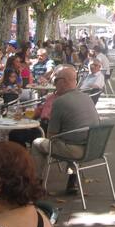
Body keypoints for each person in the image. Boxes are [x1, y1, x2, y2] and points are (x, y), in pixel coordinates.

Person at [31, 65, 100, 194]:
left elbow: (51, 136)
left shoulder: (59, 102)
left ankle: (36, 184)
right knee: (69, 140)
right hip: (94, 148)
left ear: (63, 81)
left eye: (56, 80)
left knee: (37, 143)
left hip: (76, 151)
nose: (54, 83)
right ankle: (72, 181)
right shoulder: (87, 97)